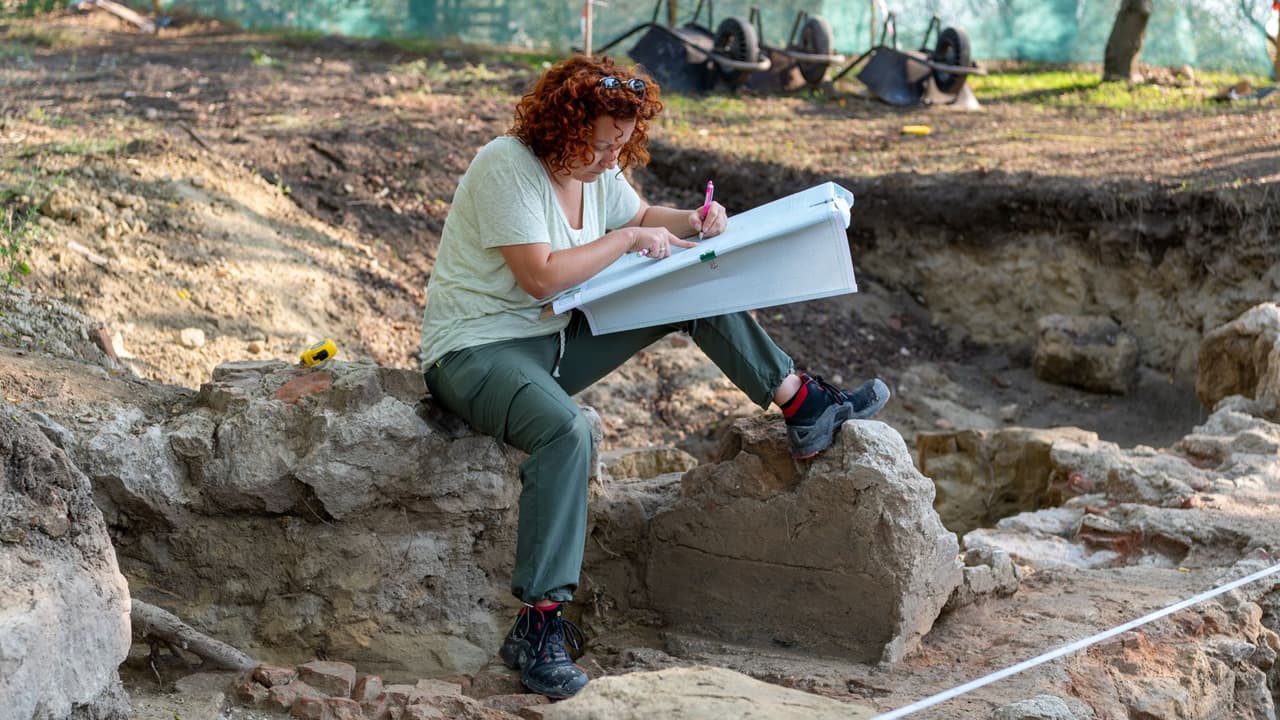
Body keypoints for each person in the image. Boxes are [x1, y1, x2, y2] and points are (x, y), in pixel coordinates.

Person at [420, 54, 890, 699]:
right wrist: (625, 244)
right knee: (566, 434)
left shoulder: (599, 170)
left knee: (689, 284)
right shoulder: (507, 164)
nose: (612, 152)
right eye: (602, 138)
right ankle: (539, 625)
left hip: (554, 340)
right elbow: (542, 276)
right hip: (476, 352)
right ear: (565, 121)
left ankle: (802, 402)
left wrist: (694, 224)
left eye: (622, 140)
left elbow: (641, 217)